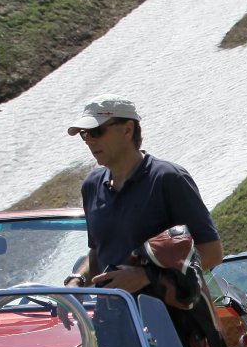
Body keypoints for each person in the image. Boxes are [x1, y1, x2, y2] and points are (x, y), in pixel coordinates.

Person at [63, 95, 223, 293]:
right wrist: (78, 280)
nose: (89, 141)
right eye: (84, 135)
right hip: (113, 311)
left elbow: (212, 252)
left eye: (96, 132)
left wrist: (147, 276)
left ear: (128, 129)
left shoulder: (168, 178)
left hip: (166, 312)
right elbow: (98, 251)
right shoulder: (91, 185)